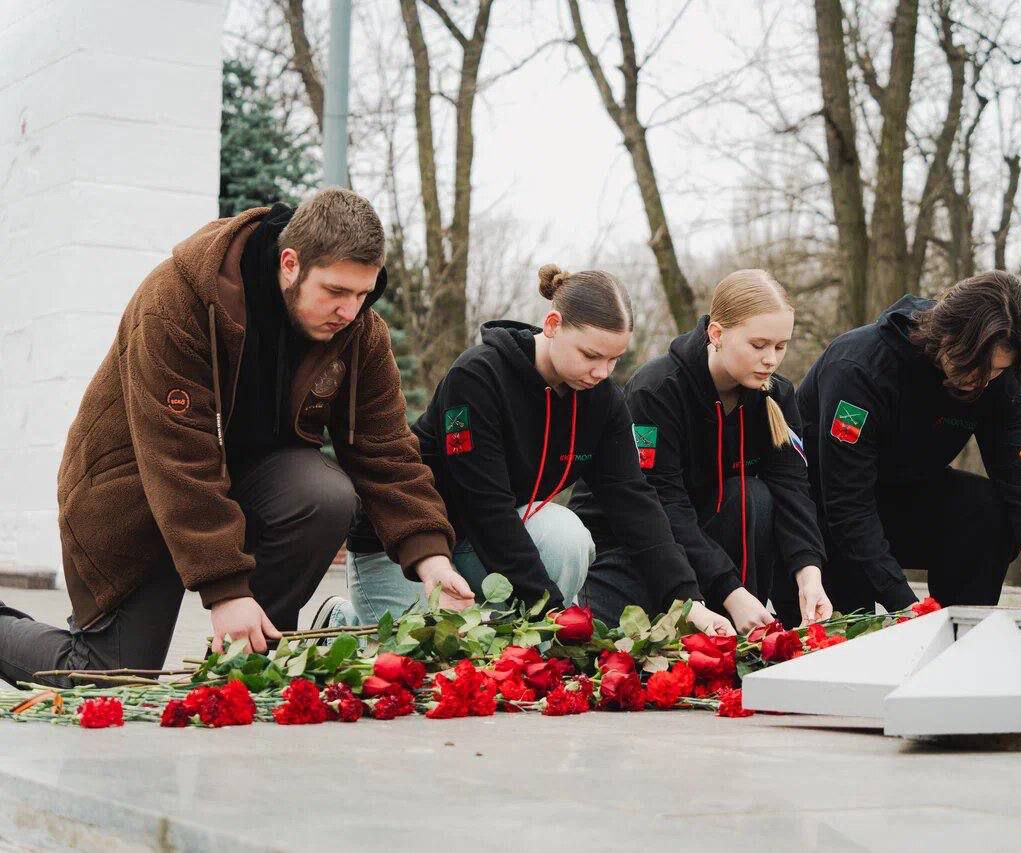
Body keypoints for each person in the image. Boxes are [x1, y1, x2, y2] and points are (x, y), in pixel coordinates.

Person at [0, 189, 463, 688]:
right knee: (106, 677)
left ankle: (245, 665)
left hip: (247, 487)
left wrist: (432, 558)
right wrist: (226, 590)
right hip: (138, 492)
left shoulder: (359, 333)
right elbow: (176, 457)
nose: (349, 311)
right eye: (335, 291)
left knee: (323, 495)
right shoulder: (176, 301)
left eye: (362, 294)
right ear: (290, 263)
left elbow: (386, 449)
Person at [325, 265, 734, 636]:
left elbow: (636, 503)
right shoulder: (478, 377)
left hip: (484, 546)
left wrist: (688, 601)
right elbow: (487, 508)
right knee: (415, 653)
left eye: (614, 359)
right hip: (407, 543)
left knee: (565, 534)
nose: (602, 372)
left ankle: (516, 637)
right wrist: (552, 611)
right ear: (553, 324)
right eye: (591, 355)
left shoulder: (603, 400)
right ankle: (343, 620)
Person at [795, 271, 1021, 615]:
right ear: (947, 335)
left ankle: (961, 627)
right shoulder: (858, 369)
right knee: (853, 624)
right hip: (823, 516)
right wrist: (908, 607)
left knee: (987, 510)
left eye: (997, 371)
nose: (984, 382)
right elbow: (846, 504)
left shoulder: (995, 379)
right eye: (977, 368)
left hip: (904, 500)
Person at [574, 269, 832, 631]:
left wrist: (809, 574)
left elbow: (793, 490)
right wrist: (730, 590)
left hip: (705, 538)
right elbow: (664, 504)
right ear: (717, 334)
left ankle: (747, 631)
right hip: (634, 544)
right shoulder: (656, 390)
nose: (771, 360)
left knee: (753, 496)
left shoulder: (777, 395)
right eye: (759, 345)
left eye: (780, 346)